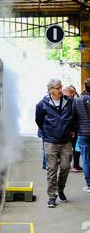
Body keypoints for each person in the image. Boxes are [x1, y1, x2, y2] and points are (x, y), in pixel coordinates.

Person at [35, 78, 74, 207]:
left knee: (65, 167)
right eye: (58, 88)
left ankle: (61, 189)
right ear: (51, 90)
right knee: (51, 169)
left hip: (66, 141)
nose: (60, 90)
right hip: (50, 141)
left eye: (61, 87)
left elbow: (74, 118)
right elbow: (39, 121)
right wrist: (48, 132)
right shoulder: (42, 104)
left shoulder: (69, 102)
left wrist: (71, 130)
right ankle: (52, 196)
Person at [72, 78, 90, 192]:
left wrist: (73, 130)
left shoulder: (77, 100)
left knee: (86, 160)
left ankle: (89, 184)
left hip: (83, 134)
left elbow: (73, 117)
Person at [62, 85, 83, 172]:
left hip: (64, 129)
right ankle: (75, 165)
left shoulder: (60, 101)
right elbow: (74, 116)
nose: (73, 93)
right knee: (76, 148)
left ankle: (67, 165)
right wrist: (73, 129)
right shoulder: (72, 101)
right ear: (70, 92)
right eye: (72, 92)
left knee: (66, 148)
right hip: (73, 129)